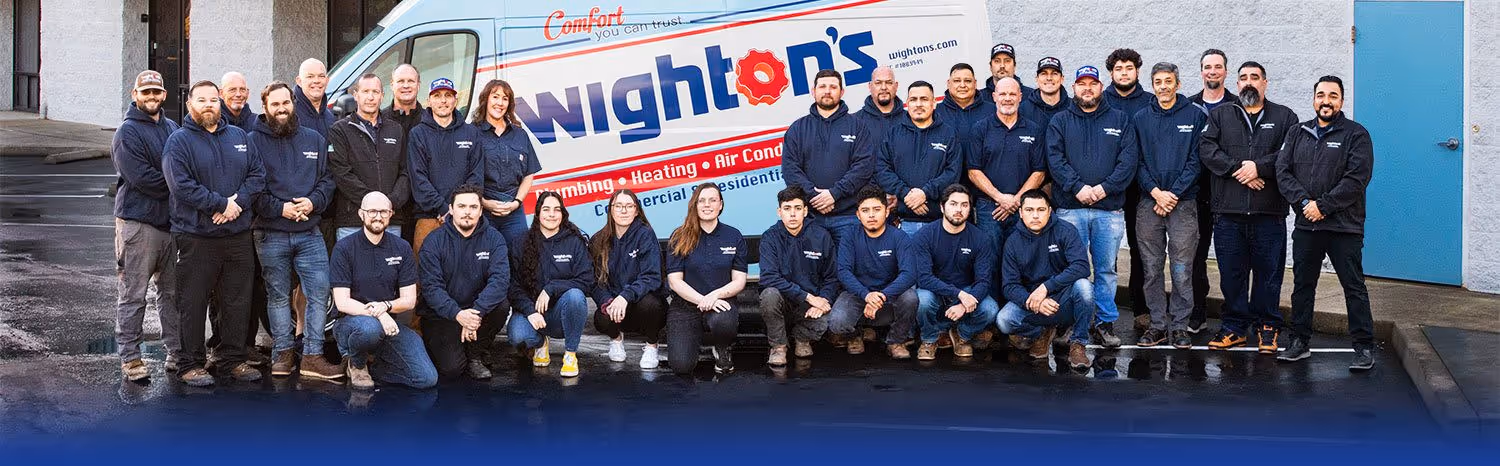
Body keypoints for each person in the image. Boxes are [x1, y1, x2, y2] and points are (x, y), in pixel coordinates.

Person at [162, 80, 266, 386]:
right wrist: (220, 204)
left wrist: (237, 204)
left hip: (236, 236)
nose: (209, 105)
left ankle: (231, 358)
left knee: (236, 300)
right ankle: (189, 363)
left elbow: (257, 175)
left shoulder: (239, 137)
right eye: (202, 100)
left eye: (213, 100)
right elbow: (181, 186)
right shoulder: (179, 142)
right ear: (190, 105)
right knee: (192, 302)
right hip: (196, 236)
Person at [1274, 75, 1376, 370]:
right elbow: (1283, 172)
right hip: (1308, 225)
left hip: (1344, 227)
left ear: (1341, 101)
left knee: (1353, 287)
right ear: (1313, 99)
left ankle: (1363, 347)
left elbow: (1357, 179)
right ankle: (1299, 342)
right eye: (1321, 95)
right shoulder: (1297, 132)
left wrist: (1324, 206)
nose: (1326, 100)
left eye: (1333, 95)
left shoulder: (1356, 135)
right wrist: (1305, 204)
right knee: (1303, 285)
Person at [1198, 61, 1299, 353]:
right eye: (1243, 78)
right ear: (1237, 83)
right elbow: (1207, 149)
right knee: (1232, 274)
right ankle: (1234, 328)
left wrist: (1259, 168)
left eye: (1255, 77)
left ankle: (1268, 327)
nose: (1249, 82)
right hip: (1228, 213)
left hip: (1269, 213)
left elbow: (1288, 155)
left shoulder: (1285, 117)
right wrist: (1238, 170)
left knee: (1269, 273)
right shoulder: (1220, 115)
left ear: (1265, 83)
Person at [247, 81, 342, 380]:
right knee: (277, 297)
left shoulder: (314, 139)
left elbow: (328, 179)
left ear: (293, 103)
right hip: (270, 231)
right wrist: (280, 208)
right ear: (265, 108)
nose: (281, 109)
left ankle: (312, 356)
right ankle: (282, 355)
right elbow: (251, 187)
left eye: (285, 103)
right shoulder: (252, 141)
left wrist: (313, 203)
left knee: (318, 293)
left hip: (309, 232)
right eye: (275, 104)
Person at [1046, 65, 1137, 348]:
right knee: (1069, 268)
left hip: (1108, 211)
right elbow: (1055, 160)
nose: (1087, 88)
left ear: (1101, 87)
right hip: (1069, 210)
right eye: (1082, 84)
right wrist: (1078, 187)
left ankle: (1105, 323)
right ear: (1073, 88)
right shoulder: (1060, 121)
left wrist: (1102, 189)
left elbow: (1128, 162)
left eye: (1093, 84)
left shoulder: (1120, 120)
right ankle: (1069, 320)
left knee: (1106, 270)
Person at [112, 70, 181, 381]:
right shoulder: (126, 133)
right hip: (139, 224)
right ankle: (130, 358)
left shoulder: (172, 128)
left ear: (164, 95)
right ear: (134, 95)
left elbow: (187, 165)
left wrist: (182, 182)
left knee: (171, 293)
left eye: (156, 92)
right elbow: (142, 180)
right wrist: (182, 185)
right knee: (133, 293)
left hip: (172, 225)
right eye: (146, 93)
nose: (151, 97)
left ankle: (176, 354)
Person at [329, 192, 438, 389]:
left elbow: (409, 300)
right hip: (351, 324)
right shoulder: (344, 248)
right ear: (361, 214)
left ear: (391, 214)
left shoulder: (401, 248)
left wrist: (385, 307)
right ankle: (357, 363)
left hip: (388, 326)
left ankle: (376, 367)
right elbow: (342, 302)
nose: (377, 216)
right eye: (372, 211)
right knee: (370, 328)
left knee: (426, 379)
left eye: (383, 211)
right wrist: (380, 315)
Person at [1131, 63, 1205, 349]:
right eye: (1158, 81)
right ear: (1152, 84)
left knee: (1182, 268)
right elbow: (1135, 160)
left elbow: (1197, 161)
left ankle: (1180, 325)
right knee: (1151, 268)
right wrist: (1156, 193)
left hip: (1183, 204)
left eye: (1168, 81)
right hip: (1149, 203)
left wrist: (1172, 194)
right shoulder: (1140, 118)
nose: (1163, 86)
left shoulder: (1194, 116)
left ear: (1178, 83)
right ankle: (1158, 324)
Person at [417, 184, 511, 380]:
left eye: (473, 207)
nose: (467, 212)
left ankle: (475, 354)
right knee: (452, 370)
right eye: (461, 206)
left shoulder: (494, 238)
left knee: (501, 305)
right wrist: (457, 314)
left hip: (477, 312)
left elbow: (500, 281)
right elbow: (431, 288)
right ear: (451, 209)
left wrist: (475, 313)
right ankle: (459, 349)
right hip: (442, 315)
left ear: (480, 210)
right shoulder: (434, 241)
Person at [997, 190, 1094, 371]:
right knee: (1004, 320)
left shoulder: (1066, 230)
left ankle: (1078, 343)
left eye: (1041, 209)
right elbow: (1009, 286)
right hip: (1034, 302)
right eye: (1030, 210)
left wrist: (1046, 288)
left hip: (1063, 300)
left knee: (1085, 287)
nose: (1035, 215)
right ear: (1021, 212)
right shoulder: (1013, 242)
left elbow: (1082, 266)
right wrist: (1033, 302)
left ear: (1049, 211)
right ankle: (1041, 332)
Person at [781, 69, 874, 243]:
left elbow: (864, 167)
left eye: (833, 87)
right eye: (822, 86)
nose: (827, 91)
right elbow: (790, 169)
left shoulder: (858, 126)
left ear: (842, 91)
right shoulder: (798, 129)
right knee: (811, 270)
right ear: (813, 91)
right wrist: (814, 196)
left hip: (848, 218)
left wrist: (835, 193)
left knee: (847, 268)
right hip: (810, 218)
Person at [507, 192, 594, 378]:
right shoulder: (521, 242)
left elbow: (586, 280)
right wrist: (530, 311)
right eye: (546, 209)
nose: (552, 214)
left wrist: (552, 288)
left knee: (575, 296)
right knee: (518, 336)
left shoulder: (574, 241)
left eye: (557, 209)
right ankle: (540, 343)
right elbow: (513, 286)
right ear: (538, 213)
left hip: (561, 315)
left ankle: (570, 354)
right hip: (531, 313)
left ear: (563, 213)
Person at [664, 183, 748, 374]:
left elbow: (739, 281)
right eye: (701, 200)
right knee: (681, 366)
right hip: (685, 305)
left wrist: (715, 296)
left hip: (721, 302)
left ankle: (722, 348)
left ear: (721, 205)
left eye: (712, 200)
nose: (707, 205)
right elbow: (675, 282)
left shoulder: (733, 236)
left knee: (724, 323)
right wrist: (702, 300)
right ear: (694, 205)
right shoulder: (679, 236)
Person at [830, 185, 919, 359]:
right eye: (865, 210)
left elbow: (909, 274)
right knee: (836, 323)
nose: (871, 215)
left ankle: (895, 341)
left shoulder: (899, 237)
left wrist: (882, 296)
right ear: (858, 214)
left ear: (886, 212)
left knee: (910, 298)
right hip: (857, 294)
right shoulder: (850, 236)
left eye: (876, 209)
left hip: (890, 295)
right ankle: (855, 335)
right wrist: (866, 295)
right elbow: (843, 271)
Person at [912, 185, 999, 360]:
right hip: (935, 291)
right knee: (921, 300)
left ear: (970, 209)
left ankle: (962, 334)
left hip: (966, 290)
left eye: (964, 205)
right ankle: (930, 338)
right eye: (953, 204)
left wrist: (965, 301)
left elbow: (983, 281)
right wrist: (958, 294)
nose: (958, 210)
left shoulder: (980, 238)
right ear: (943, 207)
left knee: (990, 309)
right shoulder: (925, 235)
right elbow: (924, 278)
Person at [967, 76, 1046, 268]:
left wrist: (1016, 200)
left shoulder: (1033, 130)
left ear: (1020, 97)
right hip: (989, 208)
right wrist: (1000, 198)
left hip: (1022, 208)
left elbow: (1039, 172)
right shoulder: (980, 129)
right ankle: (992, 299)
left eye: (1012, 94)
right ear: (994, 96)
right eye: (1002, 94)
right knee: (989, 261)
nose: (1007, 98)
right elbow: (973, 171)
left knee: (1022, 261)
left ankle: (1018, 299)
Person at [1101, 48, 1153, 329]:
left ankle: (1140, 308)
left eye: (1129, 68)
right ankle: (1100, 310)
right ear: (1111, 72)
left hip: (1139, 189)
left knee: (1138, 249)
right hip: (1106, 188)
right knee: (1104, 254)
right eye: (1119, 68)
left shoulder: (1149, 102)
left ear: (1137, 71)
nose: (1124, 73)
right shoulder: (1100, 100)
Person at [758, 186, 838, 366]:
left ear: (805, 211)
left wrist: (823, 300)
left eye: (797, 208)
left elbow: (832, 277)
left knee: (832, 318)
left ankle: (802, 338)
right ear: (779, 212)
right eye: (787, 209)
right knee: (769, 295)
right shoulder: (770, 237)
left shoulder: (821, 236)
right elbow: (769, 277)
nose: (792, 214)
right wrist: (809, 297)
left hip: (809, 307)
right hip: (783, 303)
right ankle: (779, 347)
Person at [1186, 49, 1237, 333]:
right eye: (1207, 67)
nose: (1213, 72)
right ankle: (1198, 311)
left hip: (1229, 192)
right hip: (1197, 193)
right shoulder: (1189, 106)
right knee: (1196, 257)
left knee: (1232, 258)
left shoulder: (1238, 105)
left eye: (1218, 67)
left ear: (1225, 71)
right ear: (1201, 71)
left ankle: (1234, 315)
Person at [589, 189, 666, 369]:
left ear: (637, 210)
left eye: (629, 206)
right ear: (610, 210)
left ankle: (651, 345)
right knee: (601, 318)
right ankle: (616, 339)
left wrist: (626, 296)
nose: (624, 211)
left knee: (652, 306)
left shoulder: (645, 234)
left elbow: (652, 277)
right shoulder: (598, 240)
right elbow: (594, 282)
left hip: (641, 304)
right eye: (618, 206)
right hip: (616, 309)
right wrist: (608, 301)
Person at [329, 73, 409, 241]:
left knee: (390, 267)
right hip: (353, 221)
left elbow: (406, 172)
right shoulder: (340, 130)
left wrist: (390, 203)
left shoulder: (396, 129)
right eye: (365, 91)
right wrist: (373, 204)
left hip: (390, 219)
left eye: (375, 92)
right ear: (356, 95)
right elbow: (341, 174)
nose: (370, 97)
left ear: (382, 96)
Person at [408, 77, 483, 254]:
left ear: (455, 100)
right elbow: (418, 179)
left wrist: (459, 209)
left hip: (465, 218)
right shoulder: (418, 134)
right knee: (425, 276)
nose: (443, 100)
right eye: (437, 95)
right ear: (429, 101)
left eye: (448, 95)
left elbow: (476, 175)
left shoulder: (471, 133)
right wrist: (443, 209)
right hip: (429, 218)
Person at [876, 81, 962, 234]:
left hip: (940, 224)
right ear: (907, 103)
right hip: (902, 224)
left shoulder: (948, 134)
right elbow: (882, 168)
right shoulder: (893, 134)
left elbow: (953, 172)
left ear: (934, 103)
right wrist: (906, 194)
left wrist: (925, 193)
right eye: (913, 100)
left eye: (924, 99)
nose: (918, 104)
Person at [472, 79, 541, 248]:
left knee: (521, 258)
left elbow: (528, 174)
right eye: (495, 97)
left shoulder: (520, 134)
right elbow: (465, 175)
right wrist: (483, 202)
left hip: (514, 211)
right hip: (483, 212)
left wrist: (516, 203)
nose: (499, 103)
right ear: (486, 99)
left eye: (505, 98)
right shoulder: (472, 132)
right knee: (487, 262)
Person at [383, 64, 424, 243]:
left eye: (410, 81)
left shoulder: (429, 119)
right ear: (391, 85)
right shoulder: (380, 119)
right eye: (400, 81)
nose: (406, 85)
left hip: (422, 207)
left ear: (418, 85)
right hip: (391, 207)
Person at [934, 63, 995, 139]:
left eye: (968, 81)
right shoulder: (936, 113)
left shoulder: (992, 111)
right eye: (957, 81)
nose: (962, 85)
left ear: (975, 84)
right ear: (948, 84)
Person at [854, 66, 903, 137]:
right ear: (870, 86)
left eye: (888, 82)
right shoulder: (855, 122)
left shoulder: (910, 119)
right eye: (878, 83)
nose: (883, 87)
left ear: (896, 86)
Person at [1021, 57, 1070, 127]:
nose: (1049, 78)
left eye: (1054, 73)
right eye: (1044, 74)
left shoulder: (1073, 108)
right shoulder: (1024, 110)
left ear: (1062, 79)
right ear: (1037, 79)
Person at [293, 58, 335, 138]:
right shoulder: (290, 115)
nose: (316, 81)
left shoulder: (330, 117)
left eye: (321, 76)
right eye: (310, 76)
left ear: (327, 80)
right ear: (299, 81)